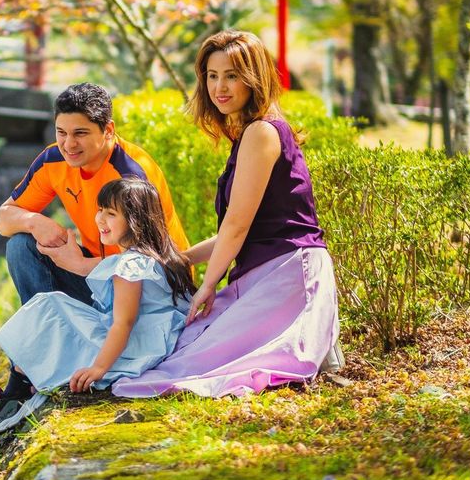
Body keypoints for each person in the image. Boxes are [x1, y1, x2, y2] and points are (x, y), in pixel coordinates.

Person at [0, 84, 188, 455]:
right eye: (62, 132)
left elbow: (150, 262)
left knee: (37, 255)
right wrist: (36, 222)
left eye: (81, 134)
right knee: (23, 244)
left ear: (109, 130)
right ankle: (41, 369)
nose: (69, 144)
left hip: (144, 295)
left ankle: (29, 382)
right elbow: (5, 219)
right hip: (98, 278)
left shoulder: (130, 176)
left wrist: (77, 263)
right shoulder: (54, 161)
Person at [115, 30, 341, 399]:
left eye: (232, 76)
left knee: (192, 363)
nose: (220, 87)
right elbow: (239, 231)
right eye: (212, 75)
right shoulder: (249, 135)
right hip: (264, 272)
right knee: (182, 342)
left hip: (287, 272)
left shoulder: (262, 132)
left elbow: (236, 226)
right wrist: (179, 260)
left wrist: (207, 285)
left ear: (254, 79)